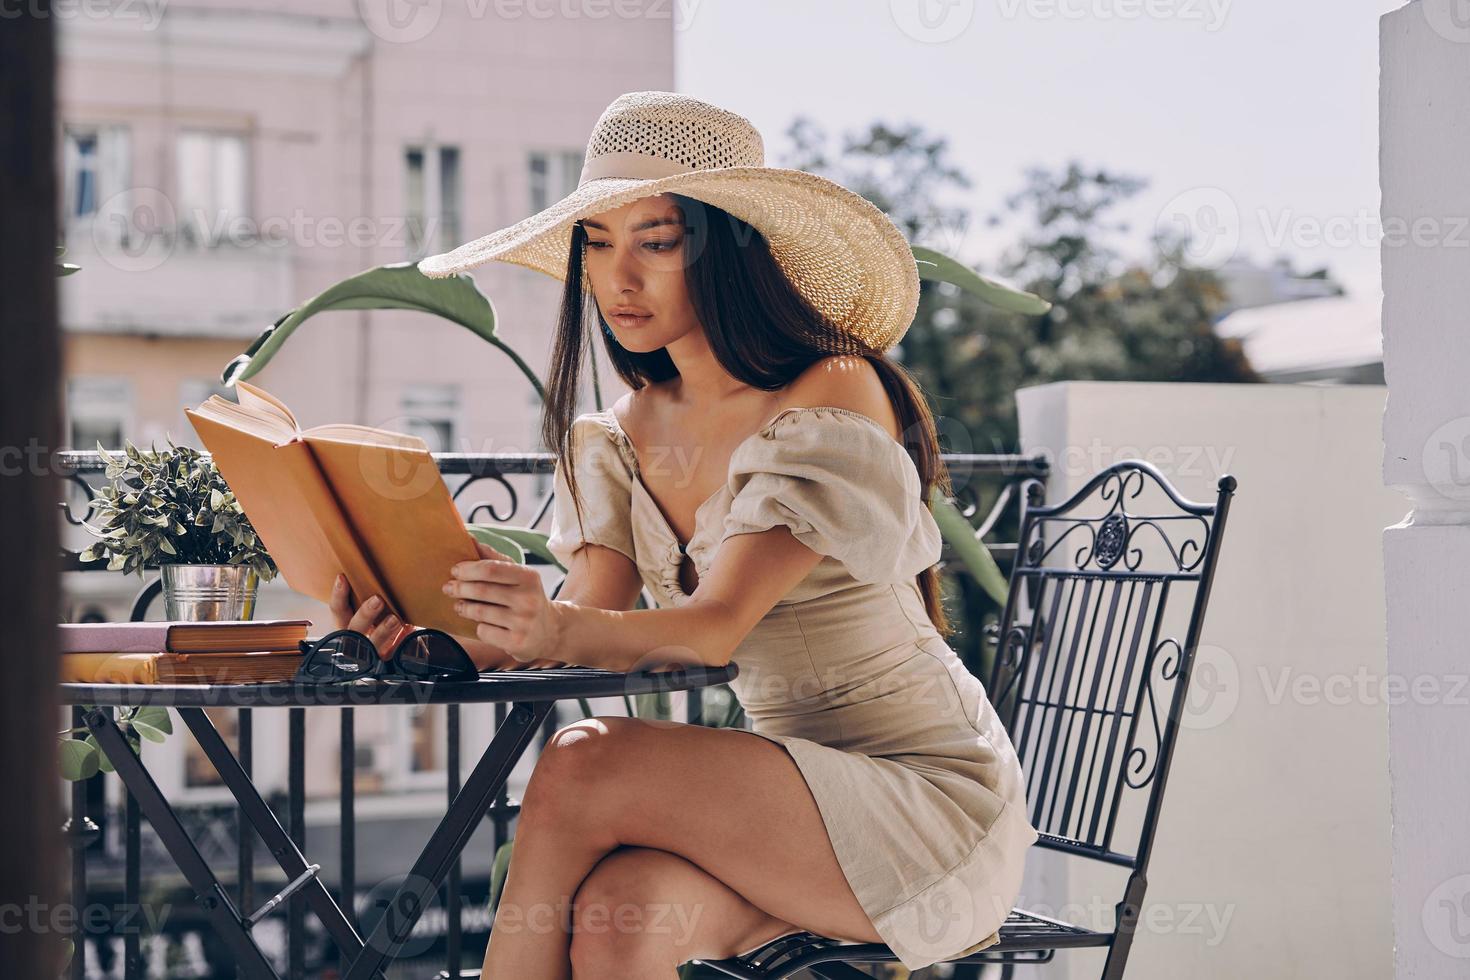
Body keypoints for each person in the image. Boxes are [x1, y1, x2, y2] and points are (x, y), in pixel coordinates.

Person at [329, 90, 1038, 976]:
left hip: (924, 802)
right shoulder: (617, 437)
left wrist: (552, 627)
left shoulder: (832, 389)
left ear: (730, 252)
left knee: (587, 761)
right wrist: (435, 623)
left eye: (657, 243)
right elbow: (587, 624)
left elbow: (713, 628)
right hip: (778, 798)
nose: (619, 278)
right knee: (627, 916)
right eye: (598, 243)